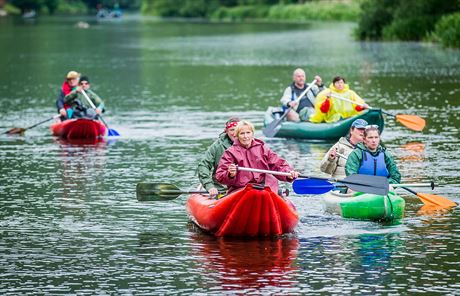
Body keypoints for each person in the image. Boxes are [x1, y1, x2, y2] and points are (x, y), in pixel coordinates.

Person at [216, 120, 299, 194]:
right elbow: (220, 176)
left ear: (252, 134)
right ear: (237, 136)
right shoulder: (230, 152)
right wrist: (230, 174)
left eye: (248, 132)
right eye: (242, 133)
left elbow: (278, 164)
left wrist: (288, 173)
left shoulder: (263, 148)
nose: (245, 136)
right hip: (241, 190)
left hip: (264, 188)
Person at [197, 117, 240, 197]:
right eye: (232, 130)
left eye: (237, 130)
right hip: (221, 189)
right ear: (226, 131)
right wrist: (209, 186)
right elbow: (204, 165)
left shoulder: (251, 144)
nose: (234, 133)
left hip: (243, 188)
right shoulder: (217, 146)